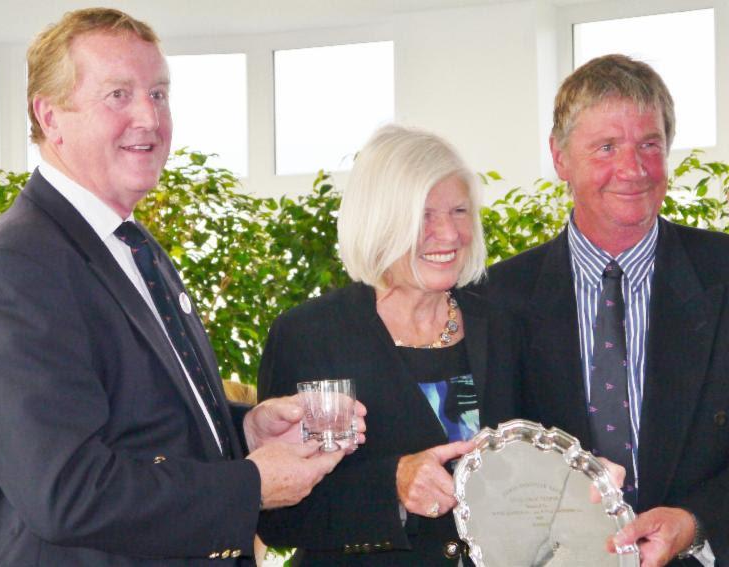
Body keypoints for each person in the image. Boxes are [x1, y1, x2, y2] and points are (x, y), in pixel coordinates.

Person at [0, 8, 364, 566]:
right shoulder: (16, 266)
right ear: (51, 117)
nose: (149, 117)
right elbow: (67, 492)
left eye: (159, 94)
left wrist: (246, 433)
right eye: (118, 95)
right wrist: (250, 485)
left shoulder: (132, 244)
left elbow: (147, 430)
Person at [485, 54, 728, 566]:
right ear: (559, 158)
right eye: (606, 147)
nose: (633, 169)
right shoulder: (499, 296)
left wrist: (695, 520)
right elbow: (494, 464)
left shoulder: (723, 273)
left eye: (649, 145)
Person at [257, 124, 521, 565]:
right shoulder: (312, 335)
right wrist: (391, 487)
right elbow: (280, 518)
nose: (450, 234)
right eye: (425, 216)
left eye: (458, 211)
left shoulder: (504, 325)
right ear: (381, 221)